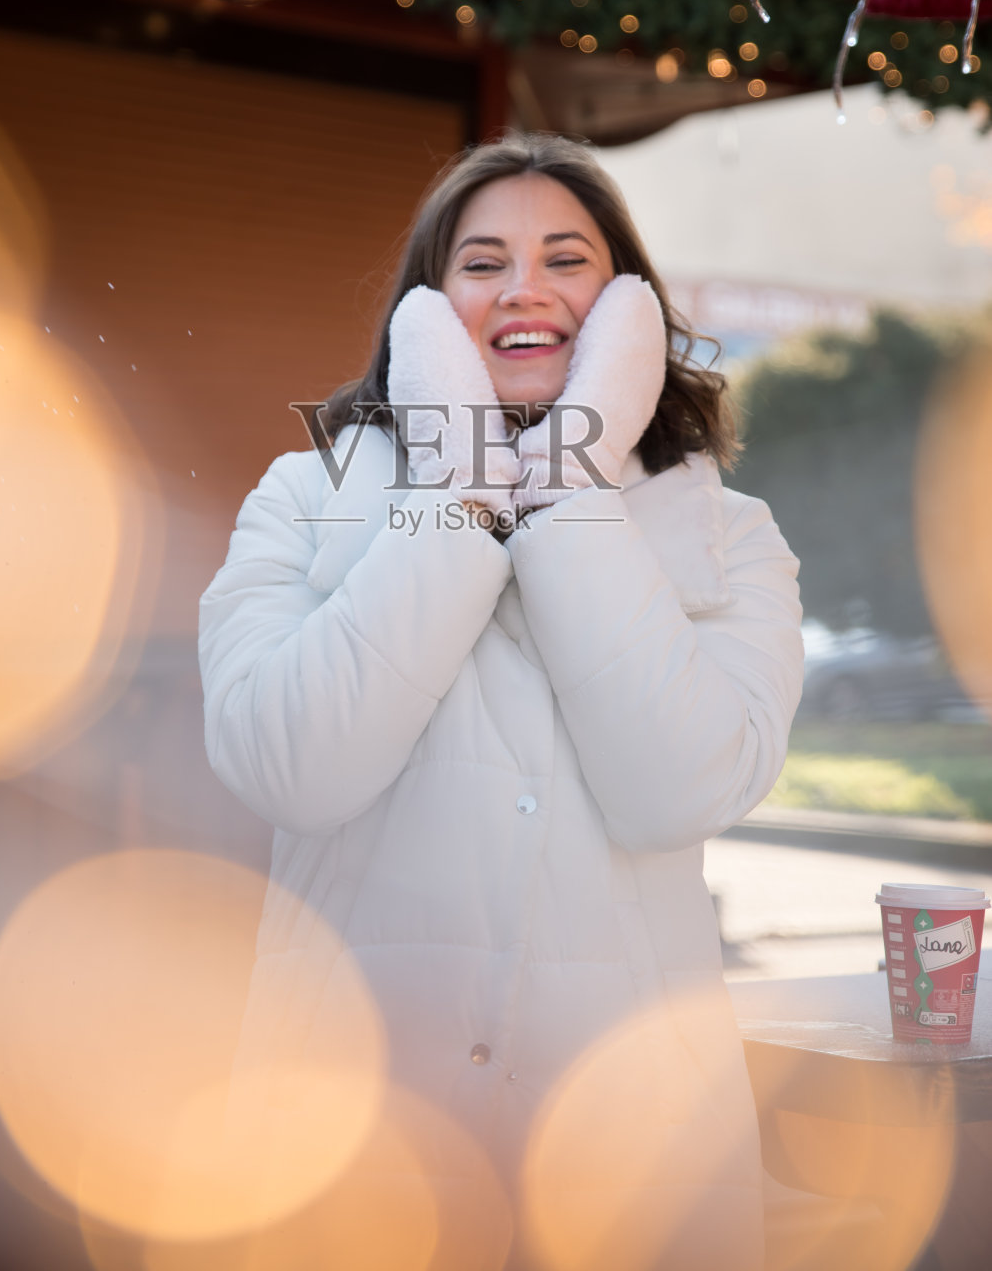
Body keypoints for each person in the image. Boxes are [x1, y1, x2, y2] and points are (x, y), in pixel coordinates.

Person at [198, 132, 804, 1271]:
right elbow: (287, 762)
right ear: (425, 315)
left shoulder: (729, 535)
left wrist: (567, 489)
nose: (525, 288)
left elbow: (682, 788)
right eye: (481, 264)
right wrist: (461, 497)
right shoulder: (304, 496)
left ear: (628, 305)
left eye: (566, 259)